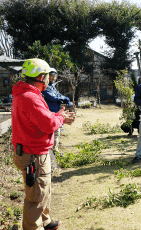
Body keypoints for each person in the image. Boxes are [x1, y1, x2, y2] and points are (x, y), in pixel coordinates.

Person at [11, 58, 75, 230]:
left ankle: (45, 221)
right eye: (47, 75)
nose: (49, 78)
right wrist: (61, 117)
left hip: (32, 151)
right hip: (33, 155)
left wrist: (58, 116)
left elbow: (42, 119)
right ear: (40, 76)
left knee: (43, 189)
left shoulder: (25, 94)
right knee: (35, 198)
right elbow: (47, 124)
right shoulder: (30, 97)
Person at [40, 70, 71, 154]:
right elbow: (52, 97)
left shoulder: (52, 86)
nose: (53, 77)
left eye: (55, 76)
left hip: (56, 111)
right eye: (51, 75)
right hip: (50, 112)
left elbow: (58, 95)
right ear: (47, 76)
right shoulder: (45, 86)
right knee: (53, 132)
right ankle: (53, 152)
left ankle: (55, 151)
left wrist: (64, 98)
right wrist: (64, 99)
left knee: (56, 133)